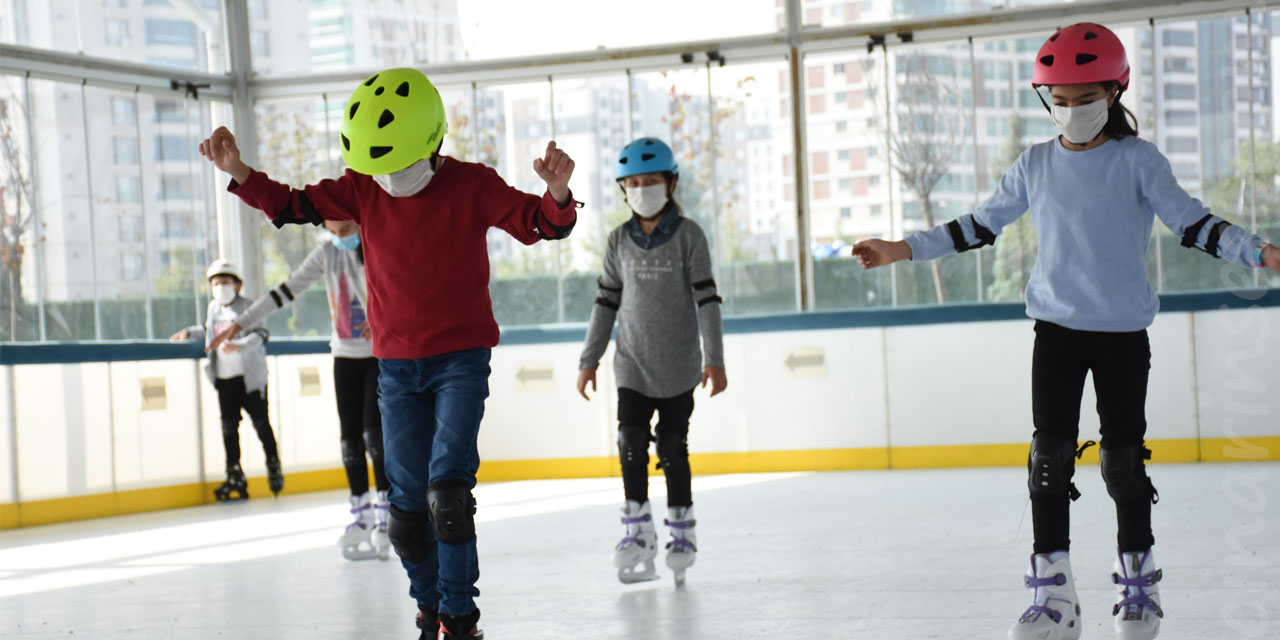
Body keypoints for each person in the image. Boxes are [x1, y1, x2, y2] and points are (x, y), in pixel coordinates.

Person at [852, 23, 1279, 640]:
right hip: (1055, 330)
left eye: (1086, 97)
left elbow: (1194, 224)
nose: (1073, 110)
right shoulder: (1035, 164)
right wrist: (901, 249)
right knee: (1048, 458)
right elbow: (978, 225)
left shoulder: (1139, 160)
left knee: (1122, 462)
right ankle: (1054, 596)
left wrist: (1259, 251)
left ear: (1115, 91)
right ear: (1046, 99)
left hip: (1122, 333)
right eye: (1061, 98)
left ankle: (1138, 586)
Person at [197, 67, 578, 640]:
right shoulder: (361, 187)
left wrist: (556, 194)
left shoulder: (472, 184)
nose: (388, 179)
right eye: (378, 167)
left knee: (447, 492)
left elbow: (539, 224)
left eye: (398, 165)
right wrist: (239, 172)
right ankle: (428, 608)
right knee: (403, 514)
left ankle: (460, 618)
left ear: (430, 142)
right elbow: (291, 204)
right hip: (394, 367)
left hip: (460, 360)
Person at [576, 137, 727, 587]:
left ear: (671, 183)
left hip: (680, 365)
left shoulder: (690, 236)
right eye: (634, 183)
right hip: (633, 366)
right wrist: (589, 359)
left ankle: (682, 533)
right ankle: (637, 532)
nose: (643, 189)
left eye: (652, 181)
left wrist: (714, 359)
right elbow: (605, 302)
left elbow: (708, 301)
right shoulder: (618, 239)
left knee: (671, 449)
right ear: (624, 188)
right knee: (629, 442)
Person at [208, 220, 390, 561]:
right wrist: (239, 323)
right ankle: (360, 517)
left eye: (346, 229)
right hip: (345, 355)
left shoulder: (378, 243)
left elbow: (403, 287)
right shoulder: (326, 253)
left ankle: (385, 514)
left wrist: (383, 318)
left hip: (378, 355)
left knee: (374, 435)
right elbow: (285, 290)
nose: (340, 237)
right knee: (349, 438)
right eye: (333, 231)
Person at [170, 259, 284, 501]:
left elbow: (261, 334)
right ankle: (234, 474)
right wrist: (189, 333)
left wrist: (239, 345)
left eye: (225, 283)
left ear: (238, 285)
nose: (220, 287)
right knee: (229, 428)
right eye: (215, 283)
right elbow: (210, 330)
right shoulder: (214, 308)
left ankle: (273, 465)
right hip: (225, 379)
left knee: (261, 424)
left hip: (250, 378)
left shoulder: (250, 307)